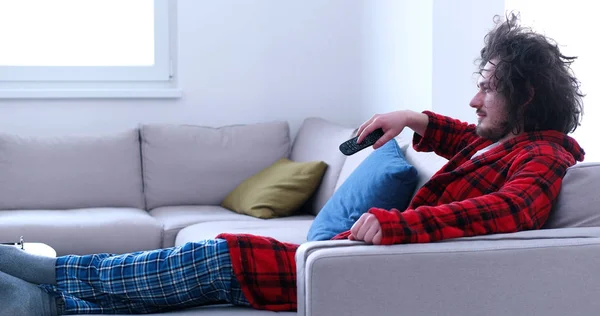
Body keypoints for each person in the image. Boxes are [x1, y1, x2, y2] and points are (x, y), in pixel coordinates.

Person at [0, 12, 586, 316]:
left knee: (227, 253)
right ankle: (43, 294)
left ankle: (49, 279)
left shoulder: (543, 156)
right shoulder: (504, 144)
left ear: (525, 95)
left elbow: (511, 210)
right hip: (368, 265)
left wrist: (397, 223)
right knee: (217, 264)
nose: (475, 100)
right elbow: (465, 141)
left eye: (487, 87)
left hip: (373, 272)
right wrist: (412, 118)